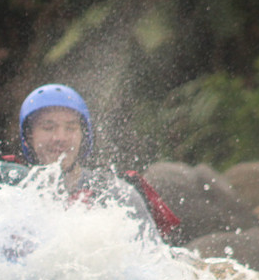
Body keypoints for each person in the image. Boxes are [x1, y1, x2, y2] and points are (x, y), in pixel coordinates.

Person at [18, 83, 180, 238]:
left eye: (71, 128)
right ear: (29, 136)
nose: (60, 138)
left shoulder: (117, 194)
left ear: (83, 136)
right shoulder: (14, 195)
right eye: (48, 128)